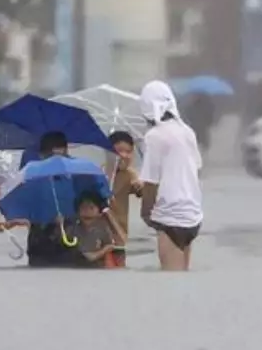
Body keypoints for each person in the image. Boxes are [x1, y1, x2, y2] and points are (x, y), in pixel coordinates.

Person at [137, 80, 203, 272]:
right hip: (193, 216)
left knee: (171, 282)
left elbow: (151, 183)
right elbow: (195, 169)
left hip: (169, 218)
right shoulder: (188, 132)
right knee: (184, 280)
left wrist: (145, 212)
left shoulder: (153, 137)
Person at [26, 131, 75, 268]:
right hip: (40, 242)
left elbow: (86, 207)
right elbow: (27, 209)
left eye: (61, 156)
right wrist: (48, 220)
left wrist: (68, 218)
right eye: (51, 157)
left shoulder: (77, 177)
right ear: (41, 156)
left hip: (69, 239)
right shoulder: (32, 179)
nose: (57, 162)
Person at [107, 130, 143, 267]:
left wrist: (139, 185)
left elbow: (141, 189)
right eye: (119, 151)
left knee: (119, 267)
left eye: (129, 152)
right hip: (101, 235)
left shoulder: (130, 174)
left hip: (120, 234)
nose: (124, 156)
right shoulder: (100, 174)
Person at [65, 190, 125, 268]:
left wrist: (110, 215)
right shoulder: (73, 229)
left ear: (99, 213)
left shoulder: (103, 229)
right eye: (83, 208)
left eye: (91, 208)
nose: (87, 211)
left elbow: (122, 243)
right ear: (78, 212)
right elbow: (88, 257)